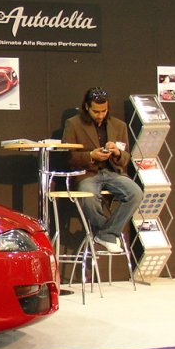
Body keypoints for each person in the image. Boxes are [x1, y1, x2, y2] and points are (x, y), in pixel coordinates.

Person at [62, 87, 144, 254]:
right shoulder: (73, 124)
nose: (100, 115)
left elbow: (126, 158)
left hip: (112, 172)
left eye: (104, 111)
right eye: (96, 111)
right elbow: (67, 157)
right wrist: (91, 155)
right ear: (86, 107)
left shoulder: (119, 126)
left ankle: (106, 233)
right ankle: (105, 234)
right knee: (89, 196)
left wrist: (117, 152)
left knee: (136, 193)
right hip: (87, 173)